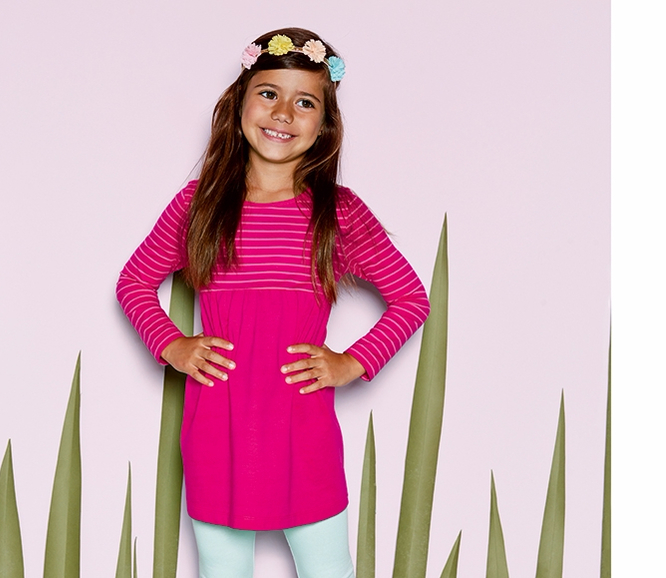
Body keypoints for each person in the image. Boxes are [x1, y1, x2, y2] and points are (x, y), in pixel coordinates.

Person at [116, 27, 430, 578]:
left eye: (305, 102)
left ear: (324, 123)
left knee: (327, 567)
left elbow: (411, 298)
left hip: (302, 427)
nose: (283, 112)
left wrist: (351, 362)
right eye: (268, 93)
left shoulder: (339, 212)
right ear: (240, 100)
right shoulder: (199, 204)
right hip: (216, 426)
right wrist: (173, 345)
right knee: (222, 567)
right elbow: (134, 282)